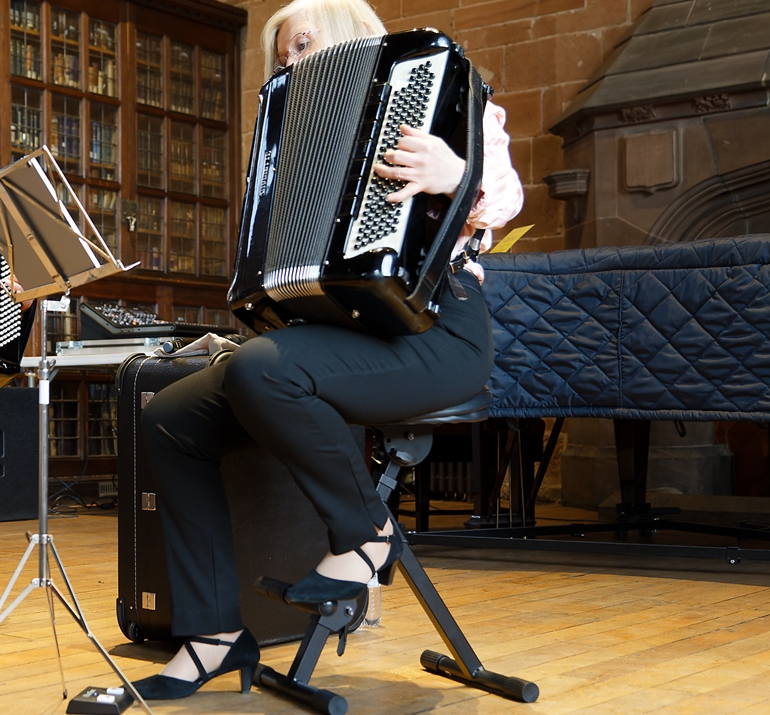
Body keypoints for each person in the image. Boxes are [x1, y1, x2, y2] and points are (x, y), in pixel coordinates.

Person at [130, 0, 523, 700]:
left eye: (303, 44)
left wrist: (455, 174)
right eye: (283, 55)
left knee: (259, 369)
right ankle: (215, 633)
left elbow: (509, 196)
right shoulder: (295, 139)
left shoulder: (445, 98)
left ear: (347, 38)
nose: (291, 62)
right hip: (335, 335)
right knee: (169, 413)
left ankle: (365, 534)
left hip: (438, 334)